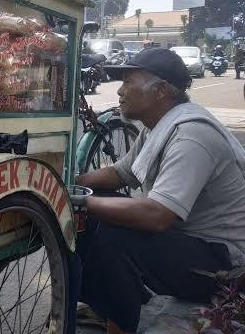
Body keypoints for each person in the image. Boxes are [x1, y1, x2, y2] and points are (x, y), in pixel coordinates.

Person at [75, 48, 245, 334]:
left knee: (115, 234)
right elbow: (120, 173)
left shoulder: (192, 135)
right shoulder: (156, 128)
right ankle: (111, 306)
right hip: (188, 246)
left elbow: (158, 216)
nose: (120, 91)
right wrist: (71, 181)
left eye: (129, 82)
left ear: (161, 90)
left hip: (225, 267)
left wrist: (79, 200)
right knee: (91, 217)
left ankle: (118, 326)